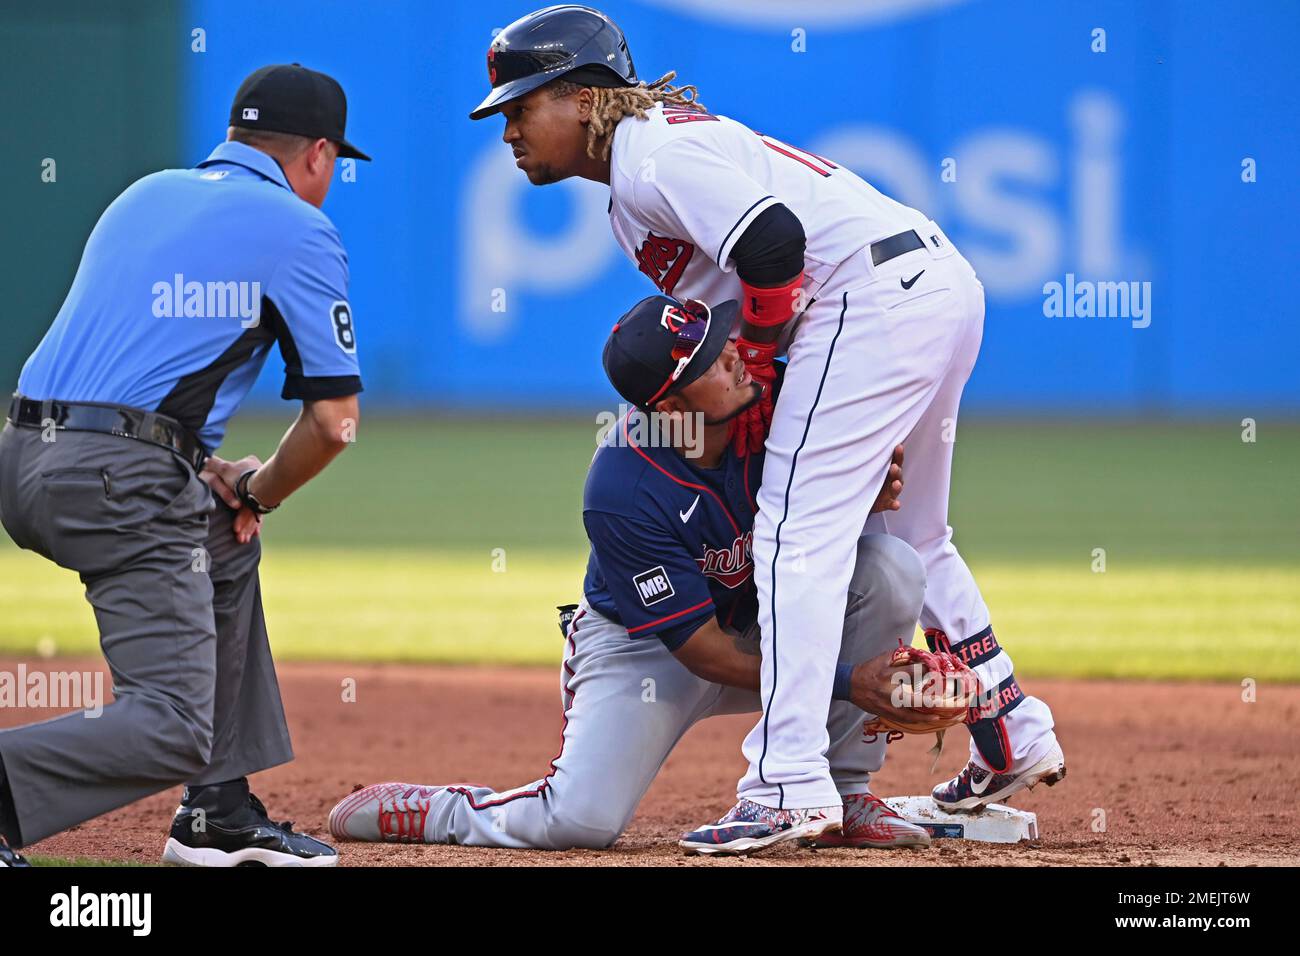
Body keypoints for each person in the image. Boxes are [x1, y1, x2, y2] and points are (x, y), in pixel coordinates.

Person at [467, 5, 1065, 846]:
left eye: (523, 107)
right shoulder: (648, 160)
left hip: (863, 301)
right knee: (914, 533)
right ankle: (1011, 731)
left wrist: (756, 354)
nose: (510, 132)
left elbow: (775, 244)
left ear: (582, 96)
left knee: (795, 534)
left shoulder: (652, 158)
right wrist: (773, 381)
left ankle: (789, 780)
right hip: (930, 285)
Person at [328, 294, 933, 854]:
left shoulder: (780, 400)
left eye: (721, 341)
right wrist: (851, 681)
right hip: (651, 653)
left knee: (889, 570)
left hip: (761, 625)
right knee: (578, 822)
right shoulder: (624, 487)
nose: (735, 357)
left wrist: (859, 490)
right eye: (712, 363)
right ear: (669, 406)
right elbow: (706, 656)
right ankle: (438, 811)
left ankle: (846, 791)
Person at [0, 63, 369, 868]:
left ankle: (217, 810)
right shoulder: (298, 228)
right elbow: (335, 423)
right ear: (316, 154)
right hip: (112, 478)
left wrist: (214, 479)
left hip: (24, 455)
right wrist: (261, 488)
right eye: (336, 162)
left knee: (225, 540)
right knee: (171, 722)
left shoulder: (146, 193)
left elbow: (131, 360)